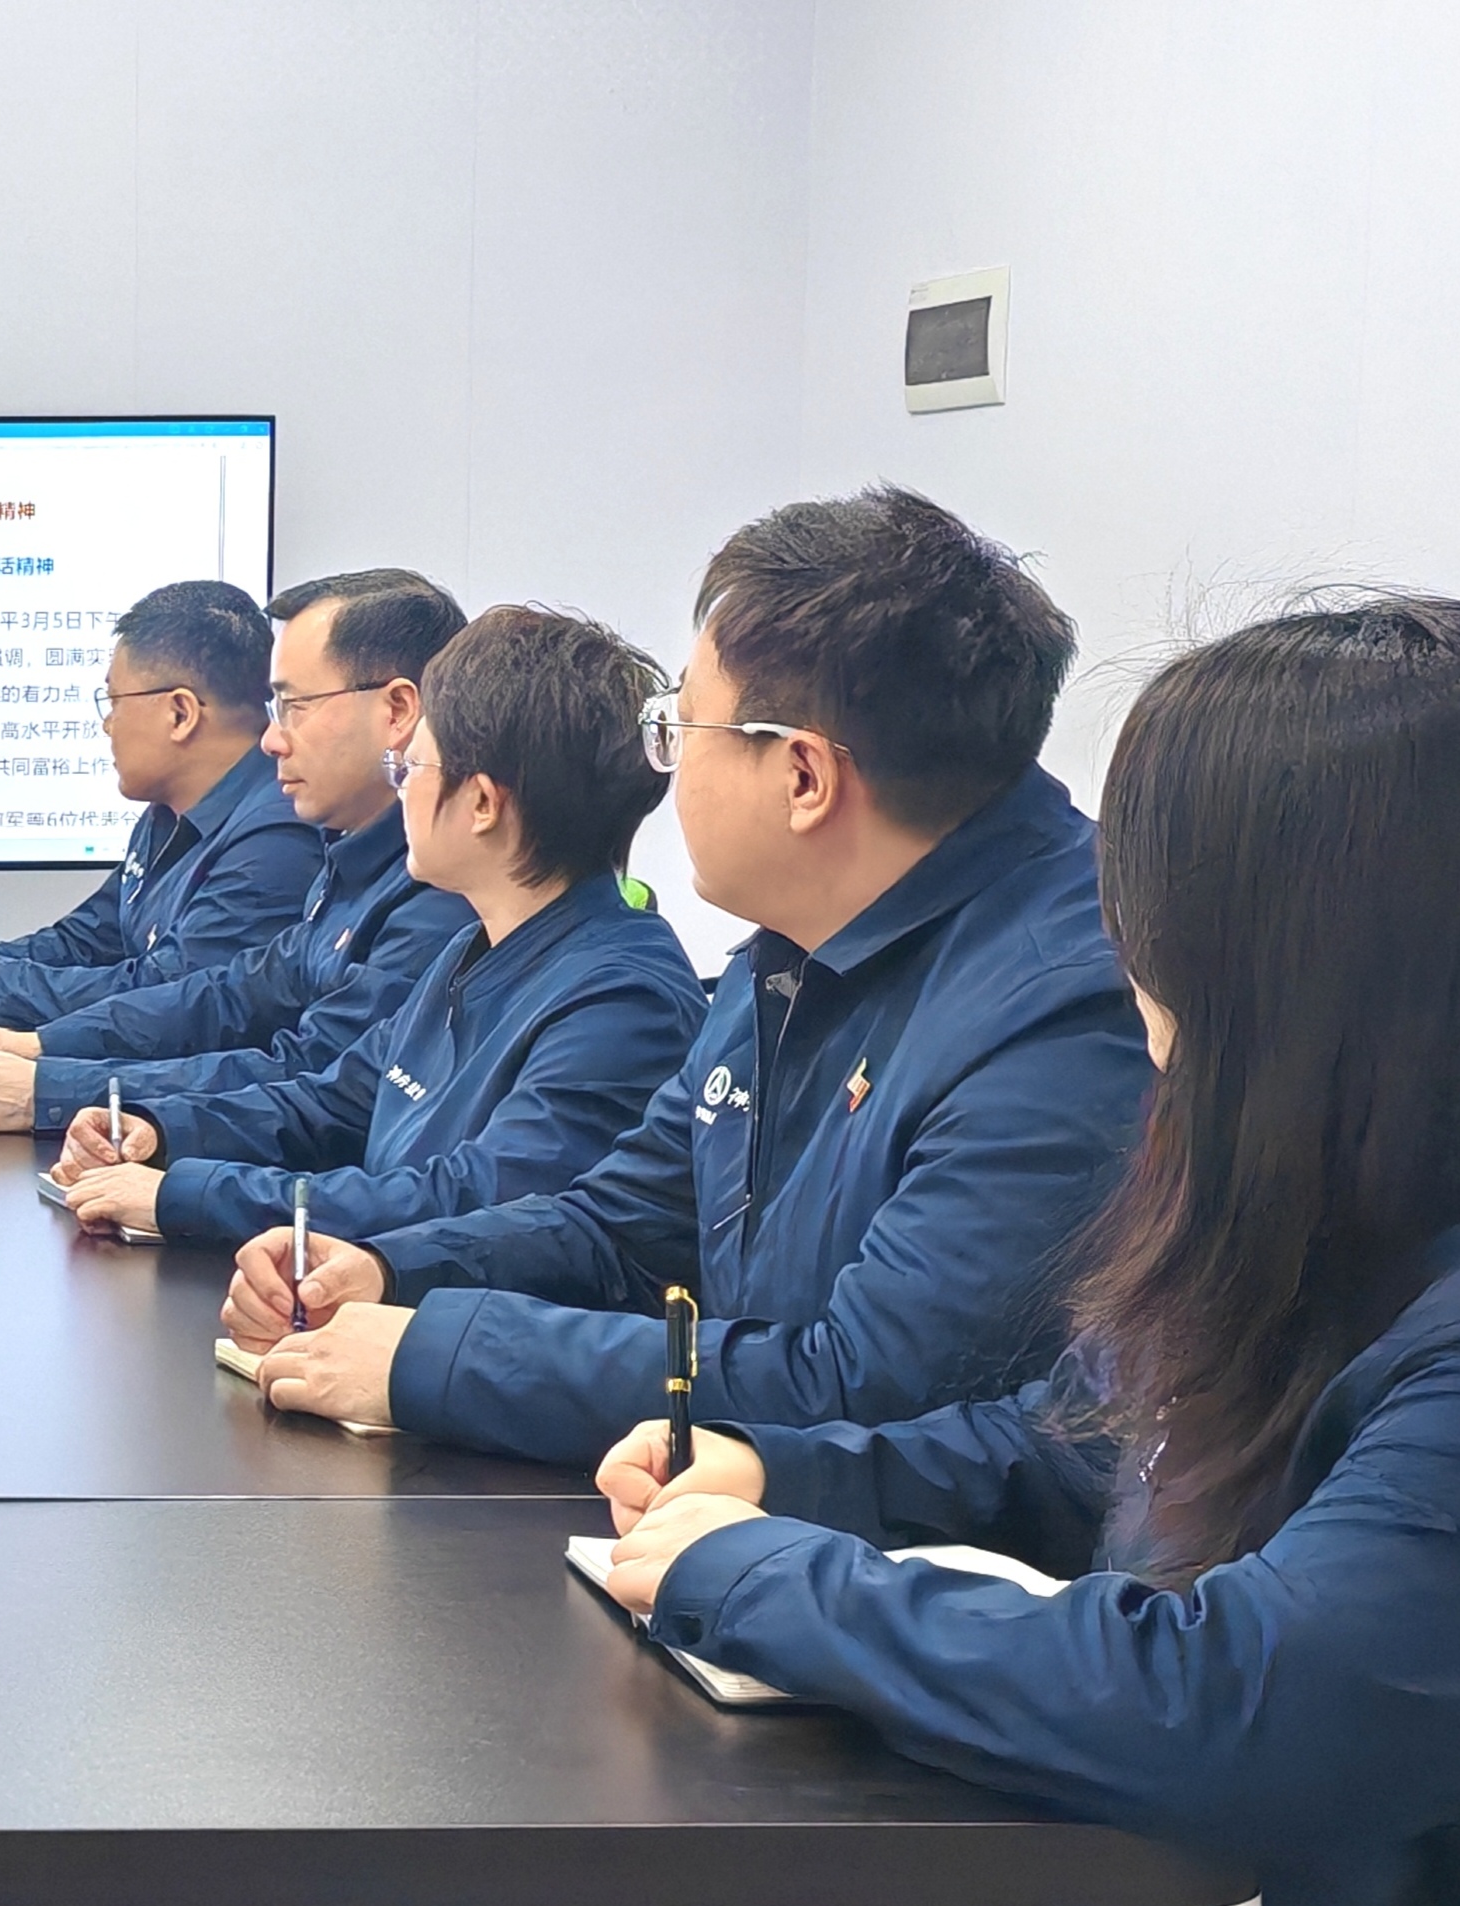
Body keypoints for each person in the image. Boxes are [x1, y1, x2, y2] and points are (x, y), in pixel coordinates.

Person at [545, 594, 1460, 1906]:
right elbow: (1075, 1444)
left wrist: (759, 1574)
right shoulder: (1305, 1216)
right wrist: (780, 1476)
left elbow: (1226, 1707)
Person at [230, 489, 1152, 1465]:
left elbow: (861, 1382)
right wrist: (387, 1270)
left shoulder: (1062, 1015)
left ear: (802, 777)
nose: (665, 768)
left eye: (680, 726)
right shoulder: (791, 943)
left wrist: (440, 1354)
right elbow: (622, 1225)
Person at [46, 605, 703, 1249]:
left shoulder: (621, 1003)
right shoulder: (472, 950)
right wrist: (159, 1130)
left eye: (411, 769)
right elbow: (332, 1100)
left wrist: (190, 1193)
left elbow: (469, 1201)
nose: (402, 789)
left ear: (480, 802)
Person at [0, 570, 477, 1135]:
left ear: (398, 711)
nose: (273, 739)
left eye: (295, 706)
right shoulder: (347, 858)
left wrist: (53, 1084)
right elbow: (226, 995)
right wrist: (35, 1044)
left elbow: (315, 1083)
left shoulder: (423, 889)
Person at [0, 578, 318, 1031]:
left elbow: (161, 998)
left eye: (114, 701)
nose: (108, 725)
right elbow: (88, 941)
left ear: (180, 713)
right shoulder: (167, 816)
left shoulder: (277, 838)